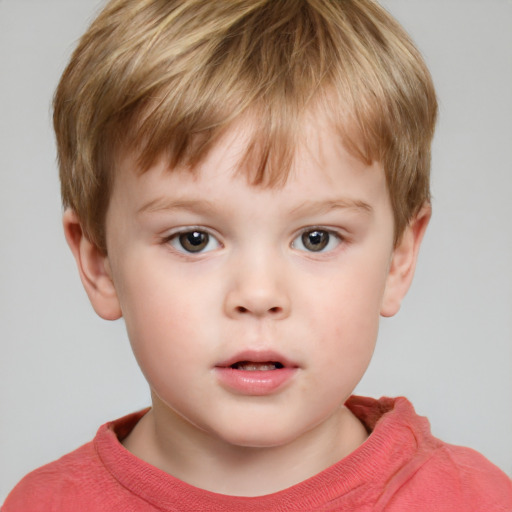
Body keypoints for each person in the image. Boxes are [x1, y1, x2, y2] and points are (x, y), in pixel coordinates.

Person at [3, 0, 511, 510]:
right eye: (193, 239)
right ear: (100, 263)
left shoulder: (475, 500)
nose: (259, 294)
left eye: (317, 238)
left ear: (399, 258)